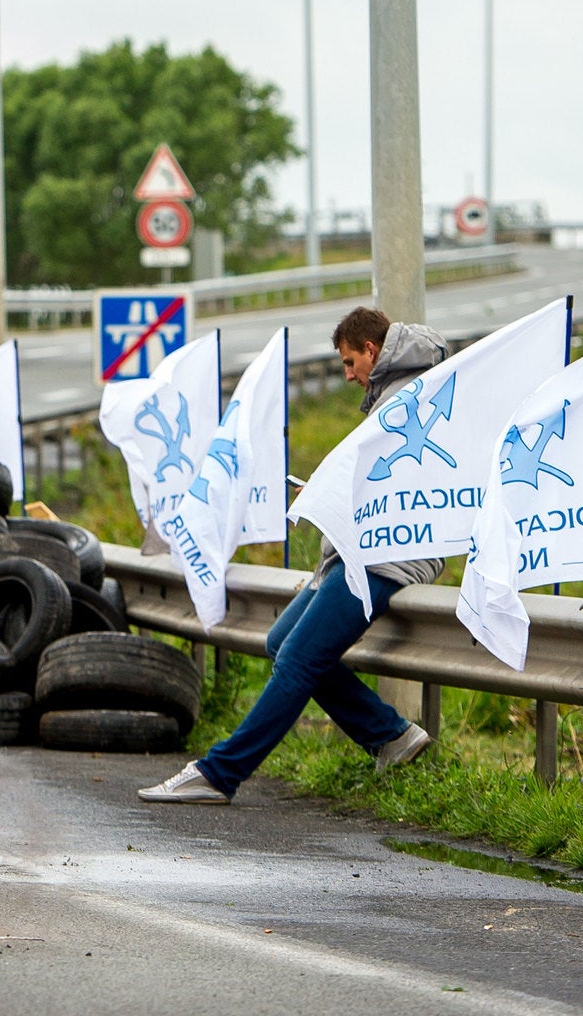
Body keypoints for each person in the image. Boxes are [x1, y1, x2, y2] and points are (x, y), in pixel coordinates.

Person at [139, 305, 445, 805]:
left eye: (350, 363)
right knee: (282, 642)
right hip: (355, 551)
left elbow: (401, 477)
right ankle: (391, 736)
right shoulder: (390, 391)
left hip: (384, 557)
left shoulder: (411, 392)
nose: (348, 376)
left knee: (299, 659)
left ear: (372, 350)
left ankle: (220, 773)